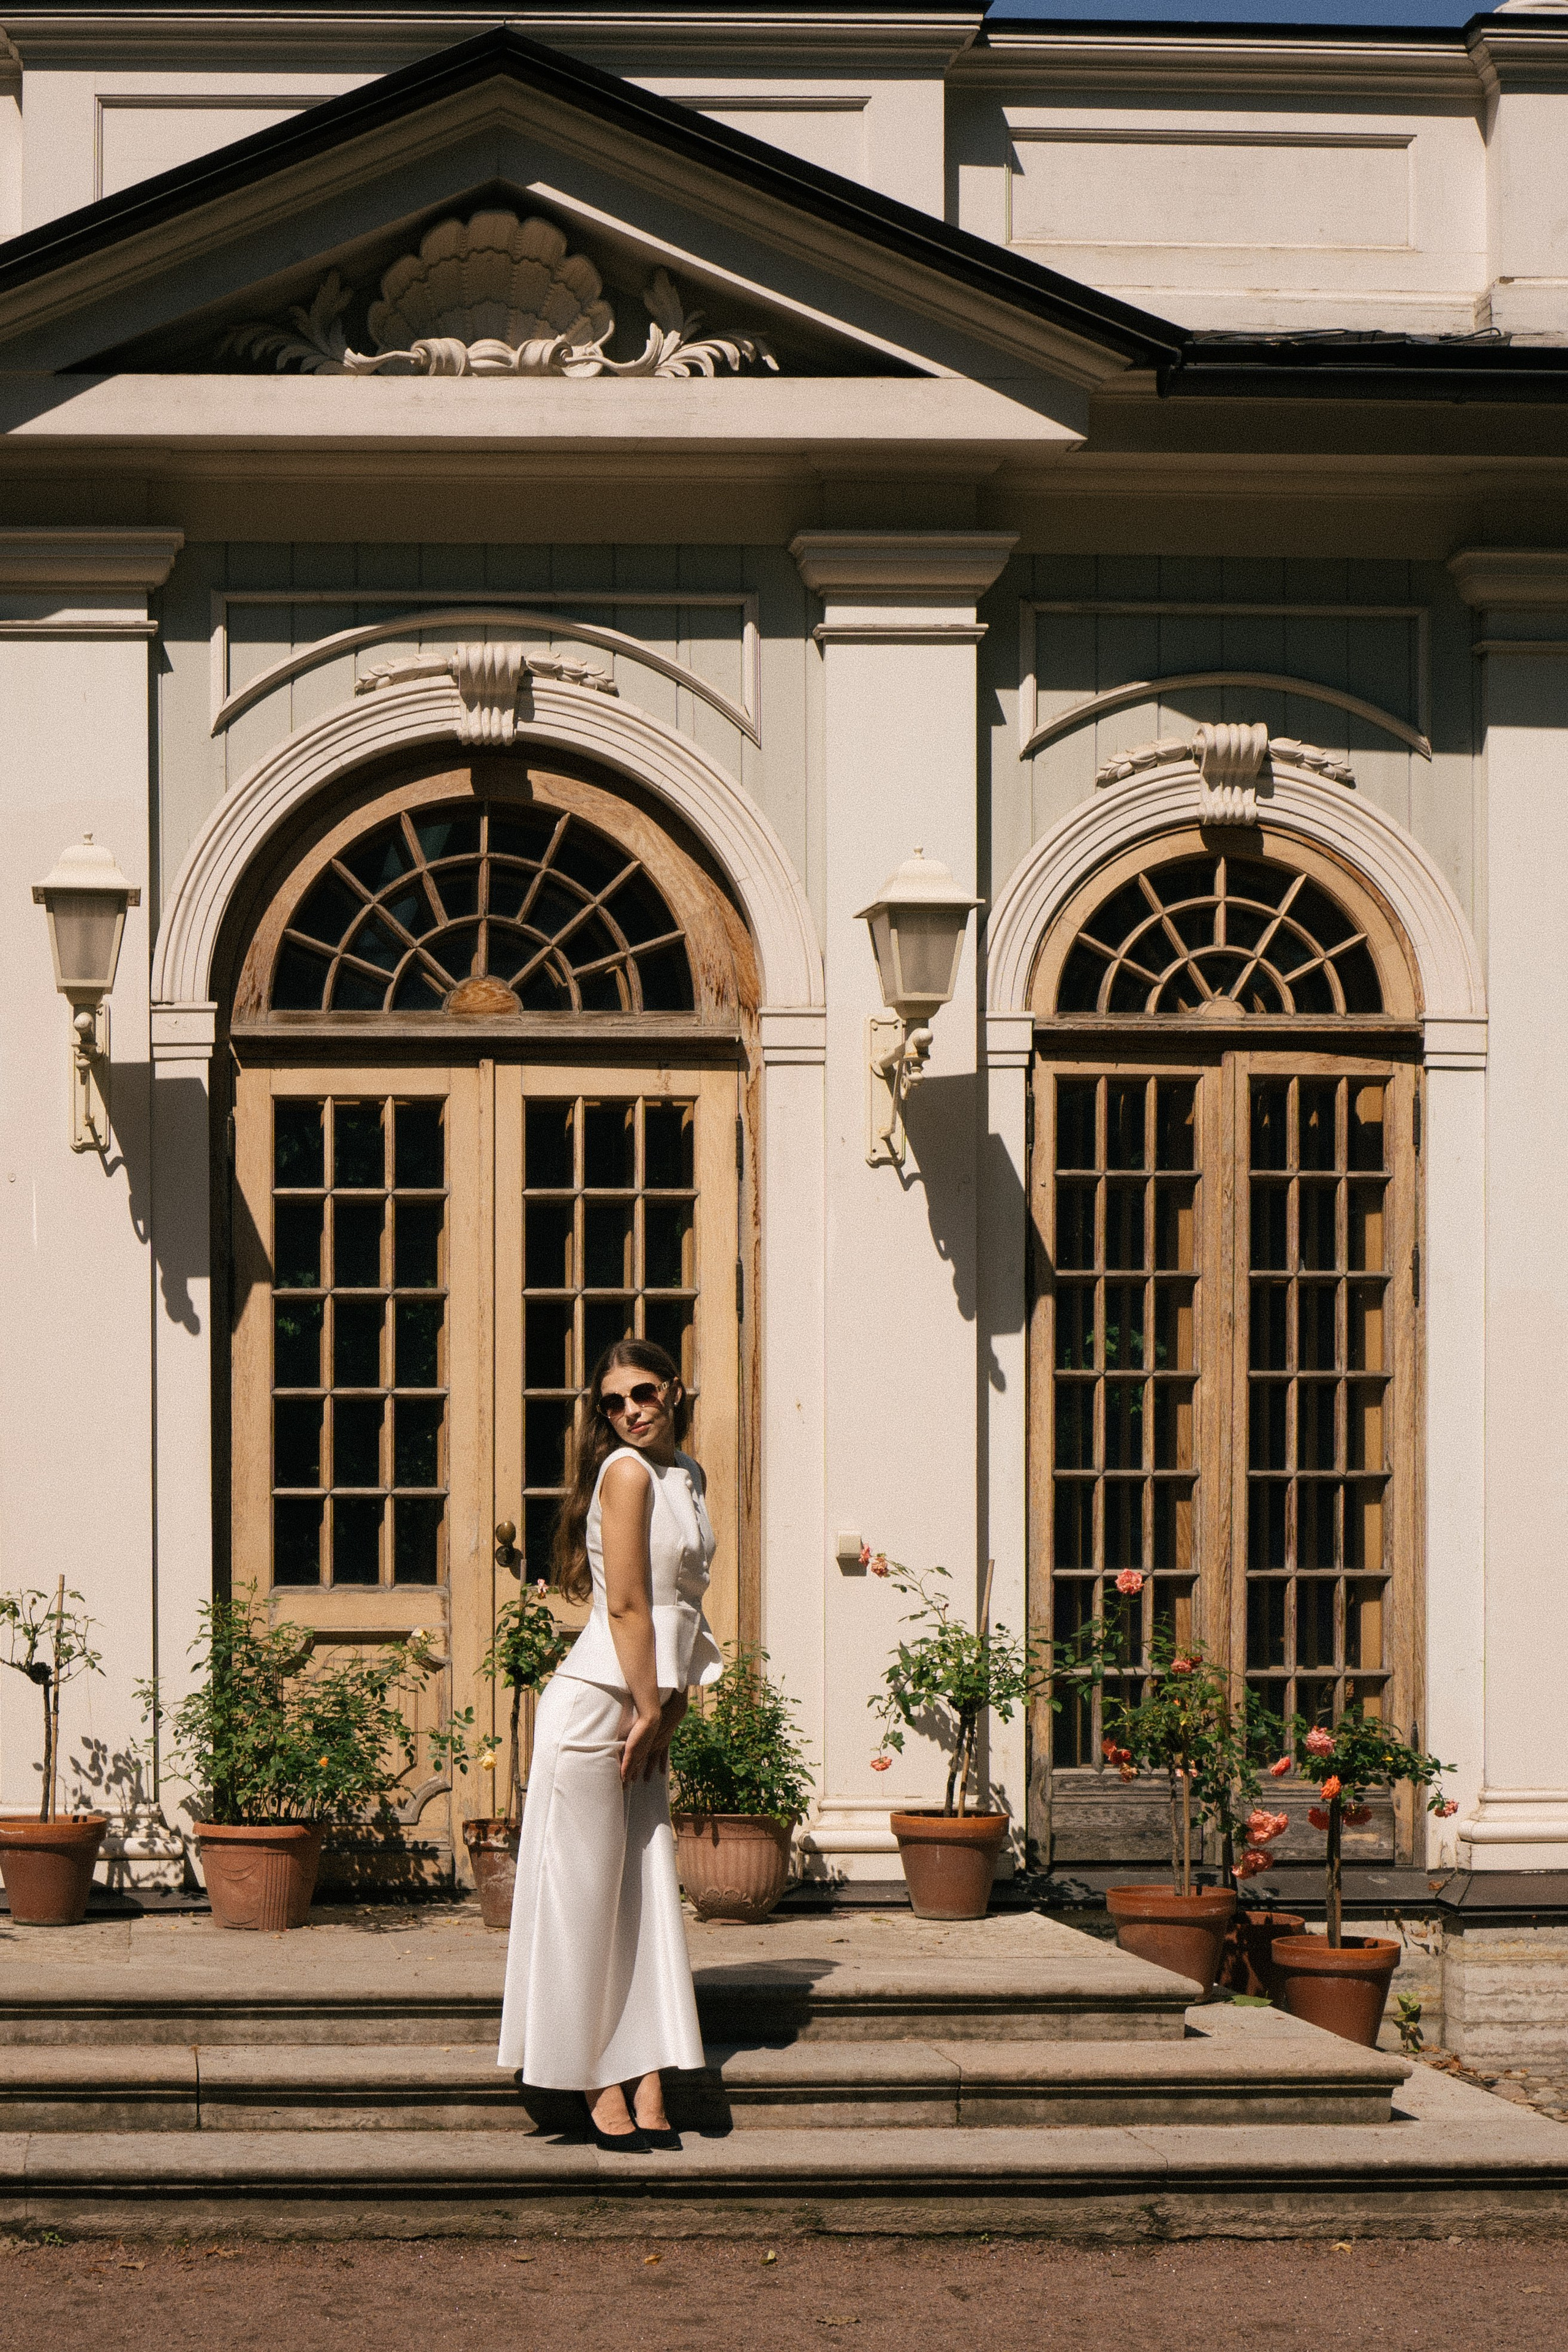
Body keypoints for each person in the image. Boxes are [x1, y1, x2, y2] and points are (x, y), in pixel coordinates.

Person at [497, 1336, 723, 2151]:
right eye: (615, 1402)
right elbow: (625, 1608)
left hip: (648, 1704)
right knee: (586, 1896)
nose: (631, 1412)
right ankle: (594, 2073)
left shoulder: (687, 1475)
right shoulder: (623, 1474)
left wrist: (672, 1706)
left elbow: (683, 1606)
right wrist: (648, 1707)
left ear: (675, 1391)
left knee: (642, 1894)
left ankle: (649, 2065)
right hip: (601, 1707)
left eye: (644, 1394)